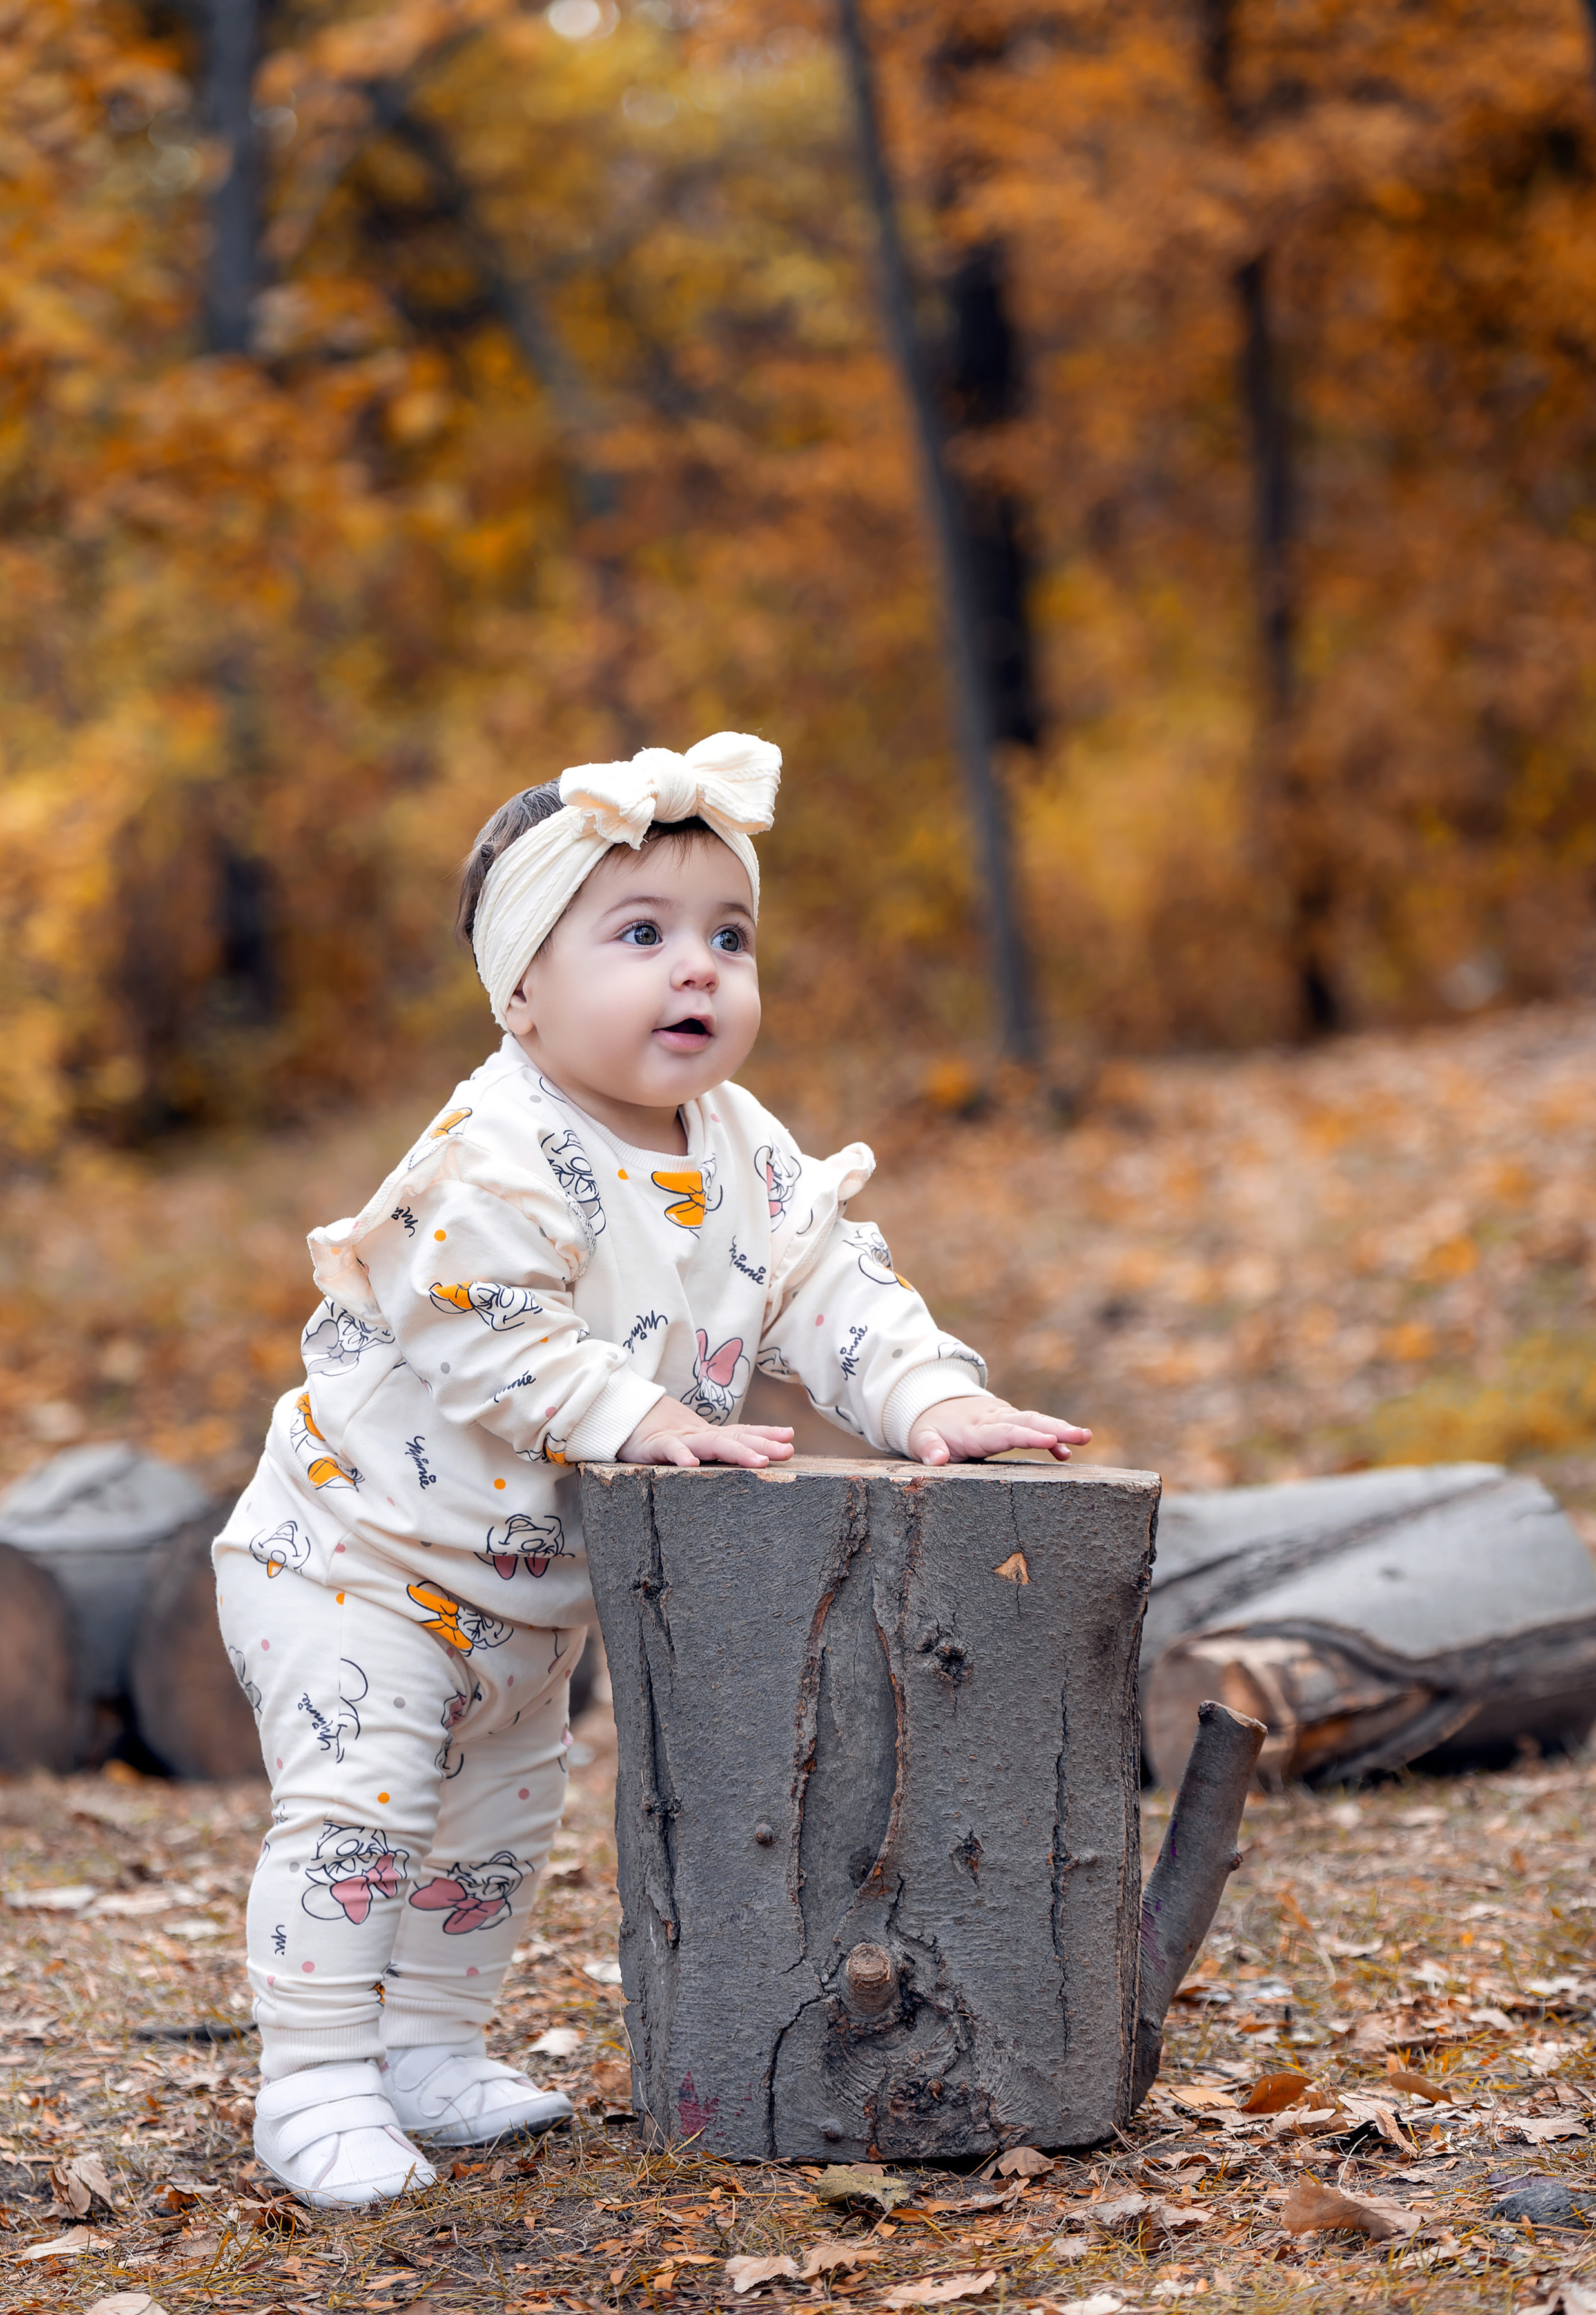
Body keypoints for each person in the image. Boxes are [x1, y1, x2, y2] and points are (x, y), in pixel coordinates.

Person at [213, 733, 1090, 2207]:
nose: (697, 971)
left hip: (522, 1601)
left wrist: (930, 1399)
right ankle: (310, 2078)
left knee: (497, 1827)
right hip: (353, 1558)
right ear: (521, 990)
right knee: (365, 1809)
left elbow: (832, 1294)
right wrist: (631, 1414)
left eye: (726, 938)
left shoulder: (742, 1152)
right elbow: (478, 1323)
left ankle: (429, 2044)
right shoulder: (493, 1148)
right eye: (641, 936)